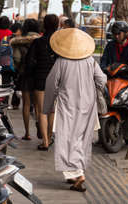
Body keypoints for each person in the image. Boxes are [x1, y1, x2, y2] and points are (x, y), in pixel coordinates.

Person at [44, 28, 107, 192]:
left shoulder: (60, 62)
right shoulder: (90, 61)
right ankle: (75, 173)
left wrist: (47, 106)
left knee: (66, 138)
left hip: (67, 105)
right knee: (81, 138)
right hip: (88, 105)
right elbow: (102, 80)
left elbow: (51, 85)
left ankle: (77, 173)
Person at [26, 14, 59, 150]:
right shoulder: (59, 43)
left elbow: (29, 62)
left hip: (40, 78)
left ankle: (44, 141)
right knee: (51, 111)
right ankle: (50, 137)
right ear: (57, 25)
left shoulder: (37, 42)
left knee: (42, 111)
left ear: (44, 25)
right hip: (55, 79)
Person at [10, 19, 41, 140]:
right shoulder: (41, 40)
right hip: (38, 75)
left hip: (25, 75)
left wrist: (20, 68)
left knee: (26, 104)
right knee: (38, 105)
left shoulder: (19, 42)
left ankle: (27, 133)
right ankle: (40, 126)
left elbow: (16, 59)